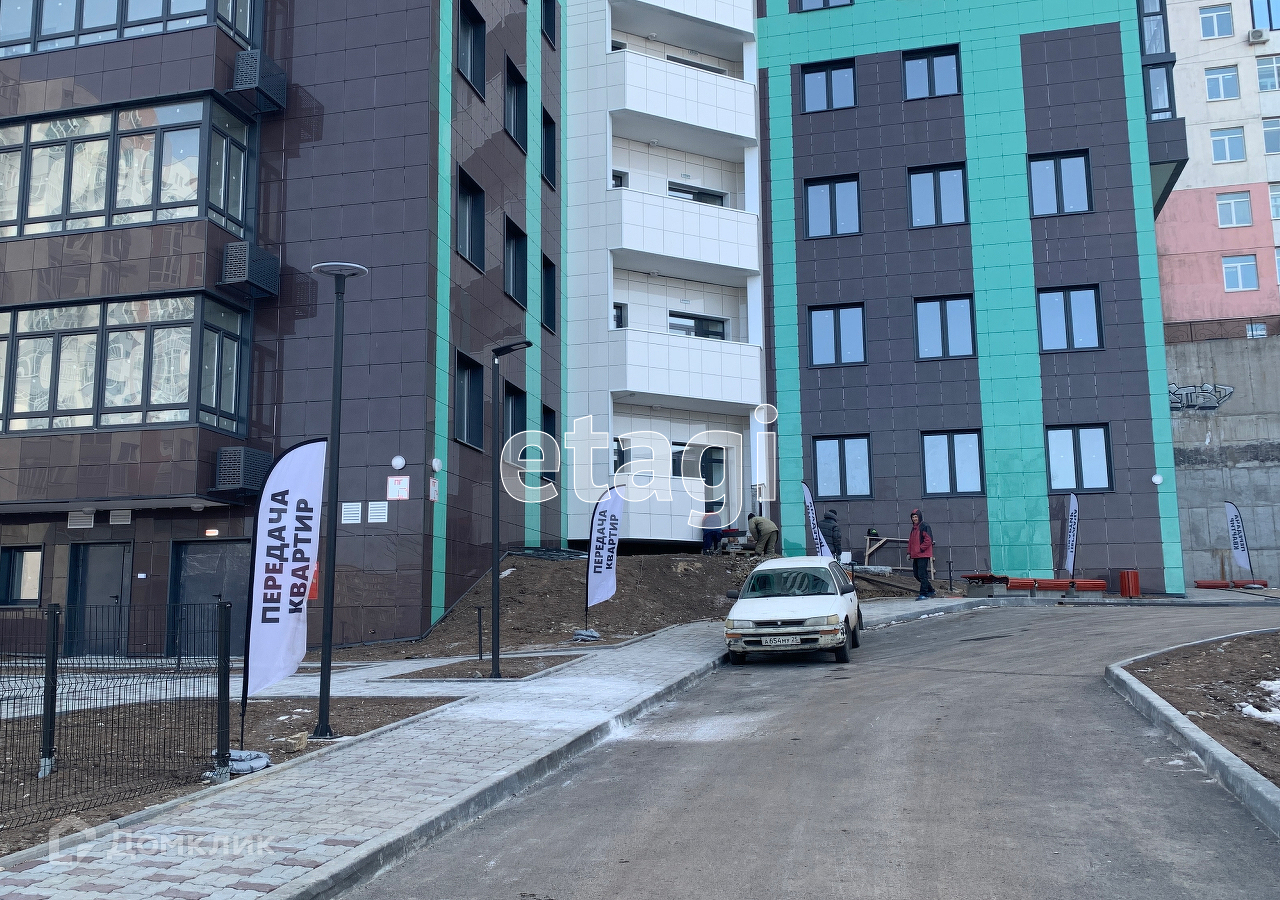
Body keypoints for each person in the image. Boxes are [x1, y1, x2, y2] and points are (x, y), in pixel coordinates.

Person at [908, 508, 935, 600]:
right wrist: (909, 552)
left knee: (922, 575)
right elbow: (910, 542)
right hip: (916, 555)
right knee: (917, 575)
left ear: (919, 517)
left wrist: (920, 549)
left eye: (916, 517)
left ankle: (924, 594)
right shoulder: (913, 528)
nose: (914, 519)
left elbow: (928, 540)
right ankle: (930, 590)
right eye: (913, 517)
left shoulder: (924, 526)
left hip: (923, 554)